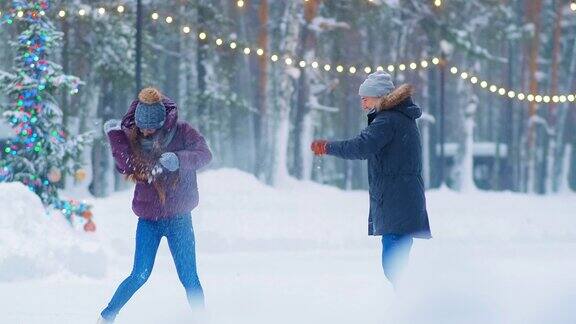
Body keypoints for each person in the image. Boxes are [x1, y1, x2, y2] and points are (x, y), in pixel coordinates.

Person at [97, 87, 212, 323]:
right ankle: (107, 316)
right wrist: (116, 138)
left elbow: (205, 154)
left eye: (151, 126)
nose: (146, 131)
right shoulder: (134, 137)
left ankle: (203, 319)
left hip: (179, 218)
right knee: (139, 274)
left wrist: (179, 159)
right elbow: (126, 166)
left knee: (189, 276)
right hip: (149, 220)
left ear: (162, 121)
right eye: (142, 127)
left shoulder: (182, 132)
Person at [310, 71, 431, 288]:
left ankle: (417, 306)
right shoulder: (398, 118)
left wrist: (328, 147)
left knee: (394, 267)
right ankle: (412, 306)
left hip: (398, 201)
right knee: (395, 265)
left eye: (366, 98)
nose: (363, 103)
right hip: (400, 199)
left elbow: (361, 146)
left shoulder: (388, 120)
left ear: (379, 97)